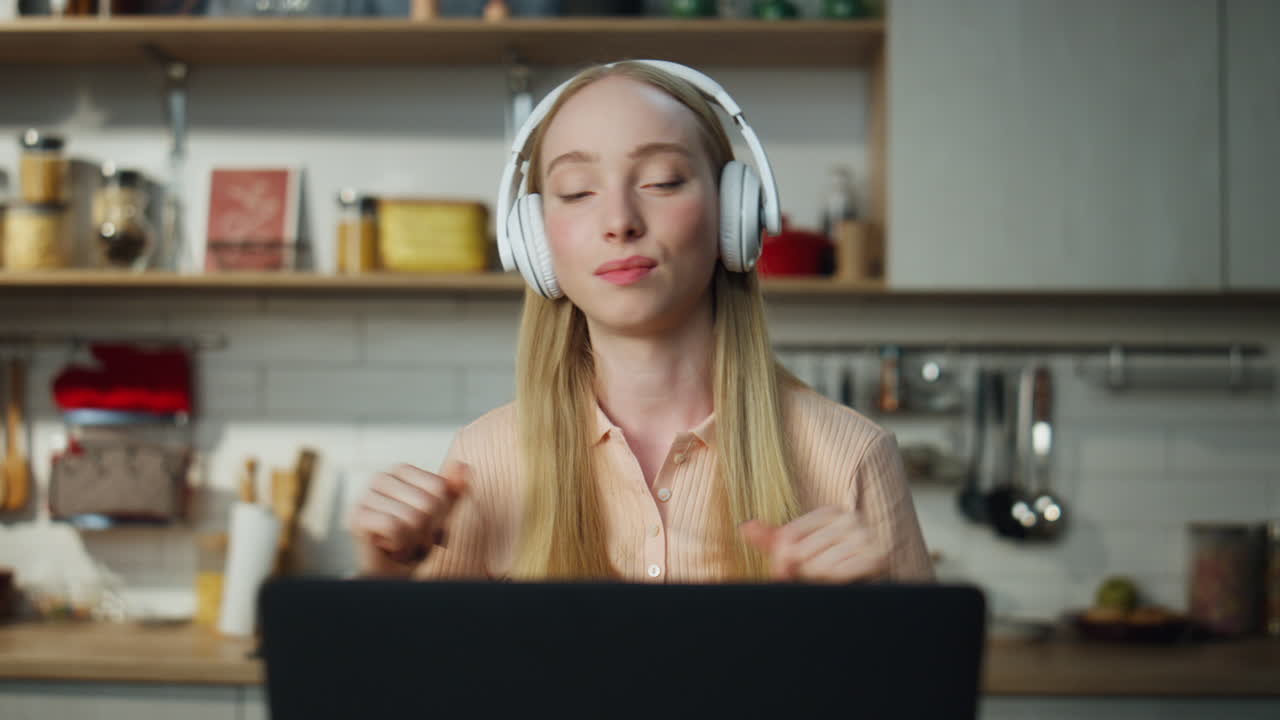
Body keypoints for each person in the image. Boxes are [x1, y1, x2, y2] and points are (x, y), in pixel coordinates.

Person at [350, 61, 933, 584]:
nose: (620, 221)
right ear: (533, 240)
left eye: (661, 181)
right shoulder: (483, 461)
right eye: (577, 191)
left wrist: (858, 629)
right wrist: (382, 585)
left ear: (735, 214)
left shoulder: (851, 457)